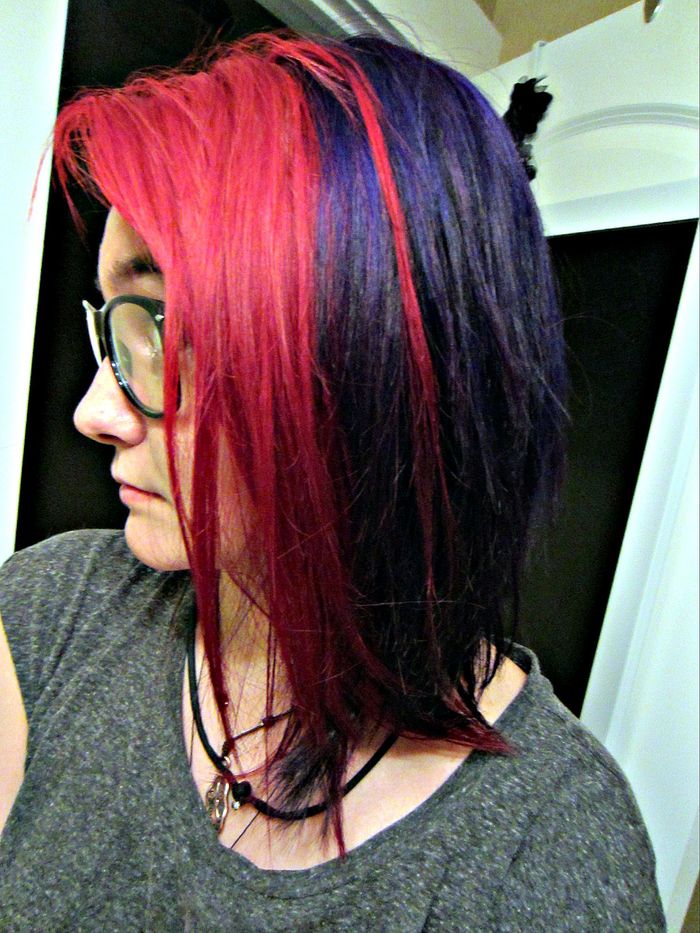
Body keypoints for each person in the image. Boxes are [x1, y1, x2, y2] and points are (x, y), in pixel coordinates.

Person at [0, 32, 665, 930]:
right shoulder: (54, 609)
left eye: (165, 326)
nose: (94, 411)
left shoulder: (546, 856)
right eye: (117, 325)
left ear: (369, 373)